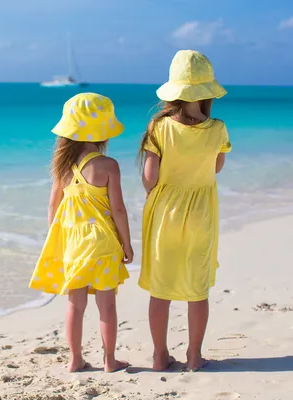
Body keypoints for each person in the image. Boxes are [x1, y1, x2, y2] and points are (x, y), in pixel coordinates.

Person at [138, 50, 232, 371]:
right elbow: (216, 168)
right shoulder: (218, 129)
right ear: (206, 93)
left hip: (165, 213)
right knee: (196, 289)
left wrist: (155, 196)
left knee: (160, 289)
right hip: (201, 213)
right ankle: (194, 356)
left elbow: (149, 178)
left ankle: (160, 356)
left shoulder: (159, 127)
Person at [29, 93, 133, 373]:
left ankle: (75, 360)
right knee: (107, 306)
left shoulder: (63, 168)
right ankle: (110, 361)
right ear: (103, 131)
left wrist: (58, 240)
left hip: (74, 245)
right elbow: (119, 210)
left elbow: (53, 206)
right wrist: (127, 244)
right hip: (103, 244)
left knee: (75, 306)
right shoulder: (108, 165)